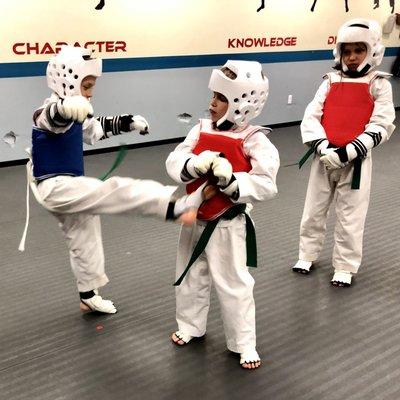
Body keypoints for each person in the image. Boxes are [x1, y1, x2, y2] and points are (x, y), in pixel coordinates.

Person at [24, 45, 211, 314]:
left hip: (66, 187)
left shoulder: (79, 108)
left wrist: (128, 122)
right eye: (86, 85)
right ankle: (172, 207)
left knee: (84, 236)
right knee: (114, 191)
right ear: (67, 80)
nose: (89, 93)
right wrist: (64, 108)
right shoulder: (49, 109)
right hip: (57, 187)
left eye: (91, 86)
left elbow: (93, 129)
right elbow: (49, 118)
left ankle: (88, 294)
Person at [165, 60, 279, 369]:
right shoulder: (199, 128)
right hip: (194, 218)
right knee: (189, 276)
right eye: (214, 95)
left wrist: (232, 183)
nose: (211, 103)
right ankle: (190, 326)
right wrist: (193, 165)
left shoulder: (254, 139)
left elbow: (267, 184)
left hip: (228, 225)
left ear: (242, 103)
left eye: (220, 97)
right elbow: (175, 160)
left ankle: (243, 343)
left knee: (234, 284)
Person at [292, 19, 395, 287]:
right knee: (313, 210)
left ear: (372, 51)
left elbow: (381, 124)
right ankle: (307, 254)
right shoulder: (329, 81)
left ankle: (345, 266)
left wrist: (348, 151)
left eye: (358, 51)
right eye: (347, 51)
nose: (351, 57)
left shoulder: (379, 84)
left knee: (351, 216)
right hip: (323, 158)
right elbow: (311, 116)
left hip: (356, 162)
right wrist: (323, 146)